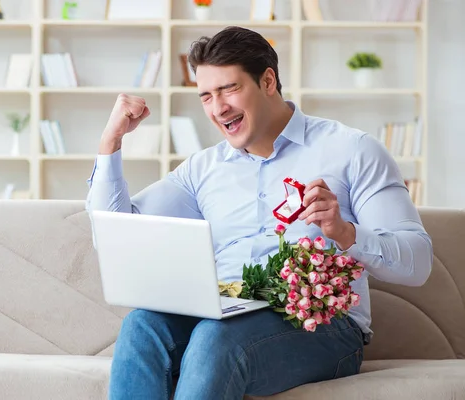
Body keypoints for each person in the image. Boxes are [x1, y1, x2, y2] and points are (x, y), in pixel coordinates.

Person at [85, 26, 433, 400]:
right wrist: (111, 143)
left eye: (229, 89)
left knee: (216, 339)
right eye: (206, 96)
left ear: (268, 81)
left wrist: (346, 233)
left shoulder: (352, 151)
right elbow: (115, 232)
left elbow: (418, 263)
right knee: (142, 327)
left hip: (321, 325)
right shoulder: (201, 169)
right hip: (224, 310)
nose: (218, 108)